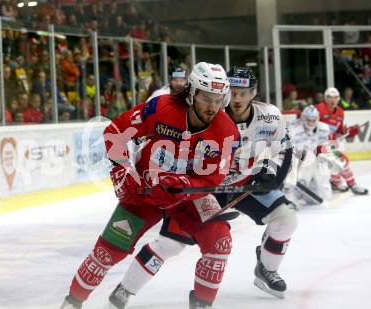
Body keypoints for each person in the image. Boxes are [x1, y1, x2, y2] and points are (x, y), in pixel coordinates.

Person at [106, 66, 298, 309]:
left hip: (243, 184)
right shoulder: (209, 113)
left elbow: (286, 148)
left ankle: (266, 270)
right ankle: (126, 289)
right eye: (234, 93)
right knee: (171, 244)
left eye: (244, 92)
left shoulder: (269, 116)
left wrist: (274, 176)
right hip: (203, 188)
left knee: (286, 219)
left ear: (254, 93)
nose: (237, 99)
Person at [60, 62, 240, 309]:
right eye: (206, 98)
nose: (212, 106)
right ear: (191, 93)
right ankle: (72, 302)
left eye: (218, 99)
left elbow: (214, 178)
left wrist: (185, 182)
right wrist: (123, 169)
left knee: (220, 242)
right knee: (107, 251)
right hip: (144, 191)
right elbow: (115, 131)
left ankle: (202, 304)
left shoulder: (226, 131)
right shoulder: (160, 108)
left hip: (188, 196)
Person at [316, 87, 368, 194]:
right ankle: (352, 184)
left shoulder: (340, 112)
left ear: (338, 99)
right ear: (325, 99)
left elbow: (340, 132)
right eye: (329, 97)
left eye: (335, 97)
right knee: (342, 161)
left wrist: (352, 130)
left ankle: (335, 182)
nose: (332, 100)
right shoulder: (318, 109)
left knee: (338, 163)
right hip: (317, 145)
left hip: (330, 145)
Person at [285, 106, 335, 206]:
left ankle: (311, 187)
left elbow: (326, 148)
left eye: (314, 120)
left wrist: (327, 156)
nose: (311, 123)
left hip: (314, 159)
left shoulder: (324, 128)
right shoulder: (293, 128)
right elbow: (287, 149)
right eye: (309, 120)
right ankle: (289, 194)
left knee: (324, 196)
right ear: (303, 118)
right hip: (297, 159)